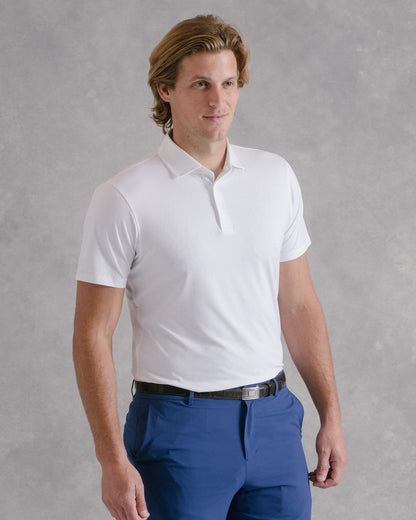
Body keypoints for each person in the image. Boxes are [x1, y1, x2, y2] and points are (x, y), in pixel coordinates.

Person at [73, 14, 347, 520]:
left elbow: (300, 304)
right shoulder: (123, 197)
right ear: (165, 90)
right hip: (179, 428)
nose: (219, 101)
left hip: (274, 421)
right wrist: (111, 458)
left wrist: (330, 415)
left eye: (229, 83)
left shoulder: (275, 177)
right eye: (201, 84)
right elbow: (92, 334)